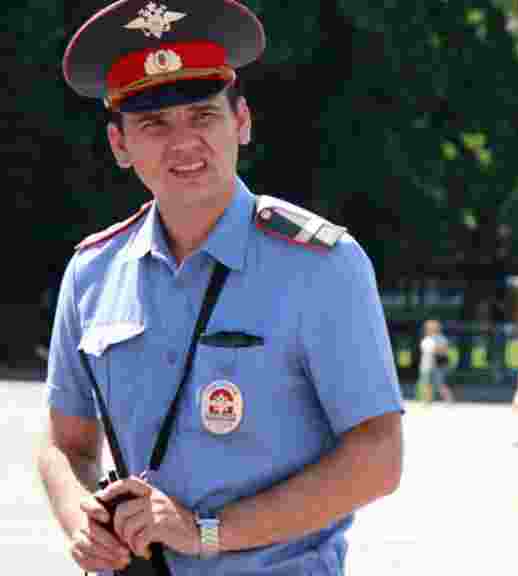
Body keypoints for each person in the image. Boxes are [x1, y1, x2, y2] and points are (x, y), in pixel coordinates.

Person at [37, 1, 403, 574]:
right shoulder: (92, 272)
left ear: (242, 121)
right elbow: (65, 444)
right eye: (153, 124)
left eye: (203, 115)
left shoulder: (323, 265)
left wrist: (206, 533)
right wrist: (80, 518)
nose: (183, 143)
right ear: (120, 144)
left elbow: (379, 456)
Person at [418, 318, 454, 403]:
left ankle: (449, 399)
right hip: (426, 364)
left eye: (432, 327)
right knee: (426, 383)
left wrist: (436, 350)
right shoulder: (426, 339)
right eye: (428, 327)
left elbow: (444, 351)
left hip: (438, 365)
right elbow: (425, 352)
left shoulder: (441, 338)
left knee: (440, 384)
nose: (430, 329)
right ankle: (427, 400)